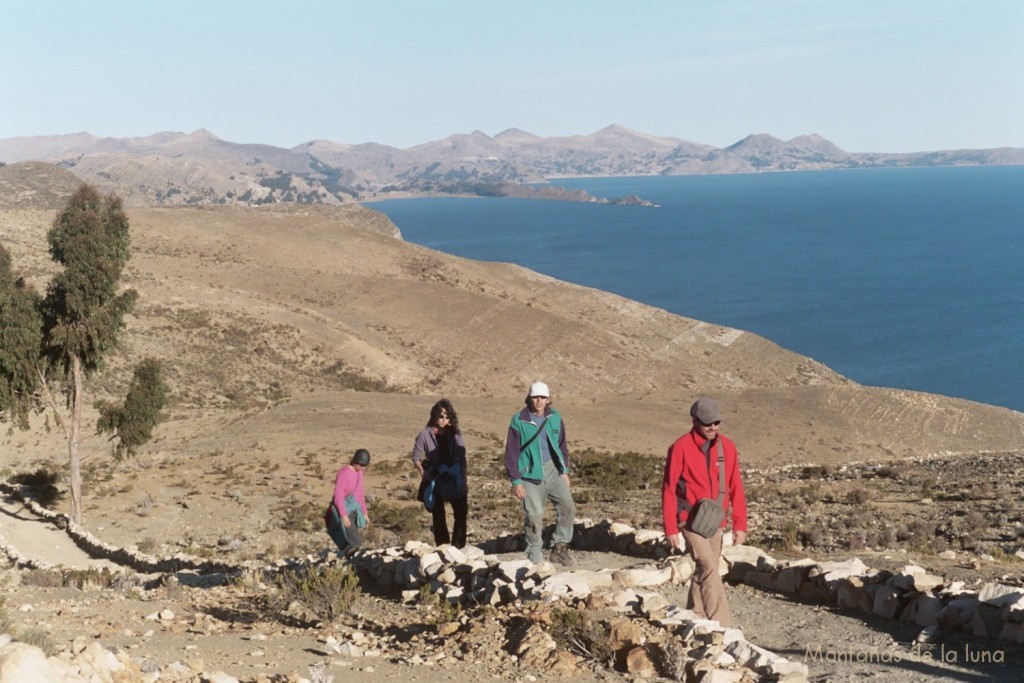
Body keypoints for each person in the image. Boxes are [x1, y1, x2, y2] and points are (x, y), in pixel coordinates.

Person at [662, 397, 747, 627]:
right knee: (709, 568)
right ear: (694, 421)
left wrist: (740, 524)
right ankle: (722, 626)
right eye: (707, 423)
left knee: (704, 570)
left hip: (715, 521)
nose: (713, 427)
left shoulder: (727, 447)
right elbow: (669, 488)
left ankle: (695, 615)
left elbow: (735, 485)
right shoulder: (679, 447)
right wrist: (670, 527)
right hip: (688, 521)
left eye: (717, 422)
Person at [504, 381, 577, 566]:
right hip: (530, 473)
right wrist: (516, 480)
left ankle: (559, 547)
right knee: (534, 515)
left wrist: (564, 470)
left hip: (553, 469)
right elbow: (511, 452)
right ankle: (534, 551)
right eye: (536, 397)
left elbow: (562, 444)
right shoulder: (519, 420)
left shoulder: (554, 417)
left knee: (568, 507)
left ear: (548, 399)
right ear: (529, 398)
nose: (539, 401)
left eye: (543, 397)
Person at [412, 399, 469, 548]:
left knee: (461, 511)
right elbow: (416, 456)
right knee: (438, 514)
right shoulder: (425, 434)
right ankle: (442, 546)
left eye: (447, 416)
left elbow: (462, 458)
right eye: (441, 416)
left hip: (454, 475)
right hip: (436, 477)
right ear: (434, 416)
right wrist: (422, 472)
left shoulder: (455, 433)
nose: (443, 420)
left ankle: (458, 546)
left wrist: (463, 479)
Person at [328, 448, 372, 555]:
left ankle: (346, 562)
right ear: (356, 462)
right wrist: (343, 515)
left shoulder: (359, 472)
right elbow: (338, 496)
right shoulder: (344, 473)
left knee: (351, 541)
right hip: (345, 511)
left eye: (364, 466)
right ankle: (350, 565)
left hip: (354, 510)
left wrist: (364, 512)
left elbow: (360, 493)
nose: (362, 468)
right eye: (361, 465)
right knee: (355, 542)